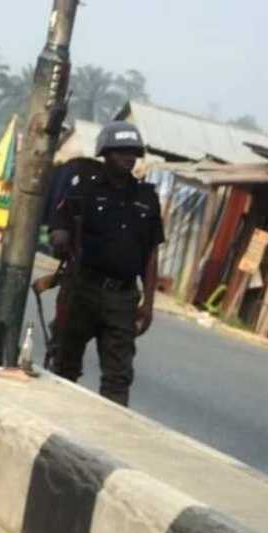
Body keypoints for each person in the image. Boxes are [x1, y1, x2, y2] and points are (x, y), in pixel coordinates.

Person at [48, 121, 164, 406]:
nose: (128, 157)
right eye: (121, 151)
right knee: (63, 365)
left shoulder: (146, 199)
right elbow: (58, 228)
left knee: (118, 377)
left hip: (122, 298)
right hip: (82, 288)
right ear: (106, 153)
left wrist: (148, 303)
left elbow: (151, 254)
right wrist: (60, 238)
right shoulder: (83, 188)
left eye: (133, 152)